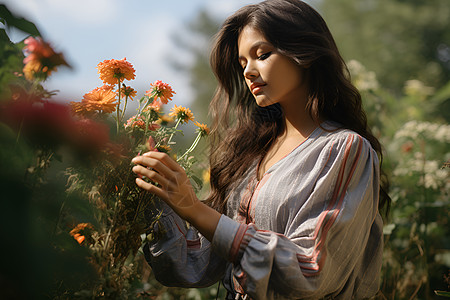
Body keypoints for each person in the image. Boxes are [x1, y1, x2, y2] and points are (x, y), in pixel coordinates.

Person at [131, 0, 390, 298]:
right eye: (242, 64)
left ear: (305, 53)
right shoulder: (253, 153)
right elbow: (197, 263)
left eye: (262, 55)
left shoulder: (344, 150)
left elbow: (311, 272)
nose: (249, 72)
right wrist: (157, 189)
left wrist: (193, 207)